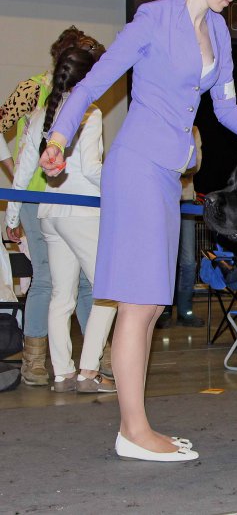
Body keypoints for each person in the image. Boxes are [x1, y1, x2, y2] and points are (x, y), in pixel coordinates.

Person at [39, 0, 237, 462]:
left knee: (151, 304)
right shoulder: (153, 20)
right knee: (139, 303)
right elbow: (90, 86)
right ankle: (133, 431)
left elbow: (224, 107)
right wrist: (58, 139)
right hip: (136, 165)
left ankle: (136, 427)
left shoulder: (218, 31)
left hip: (168, 174)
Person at [7, 47, 117, 393]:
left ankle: (63, 373)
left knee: (61, 295)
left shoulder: (41, 114)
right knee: (108, 293)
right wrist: (123, 187)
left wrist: (12, 215)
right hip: (82, 214)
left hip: (49, 213)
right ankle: (89, 371)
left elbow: (23, 171)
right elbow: (92, 169)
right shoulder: (89, 112)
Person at [157, 126, 204, 328]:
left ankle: (185, 311)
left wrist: (173, 165)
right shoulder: (161, 125)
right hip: (163, 199)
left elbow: (196, 165)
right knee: (165, 258)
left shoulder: (193, 130)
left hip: (186, 200)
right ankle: (163, 310)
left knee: (188, 261)